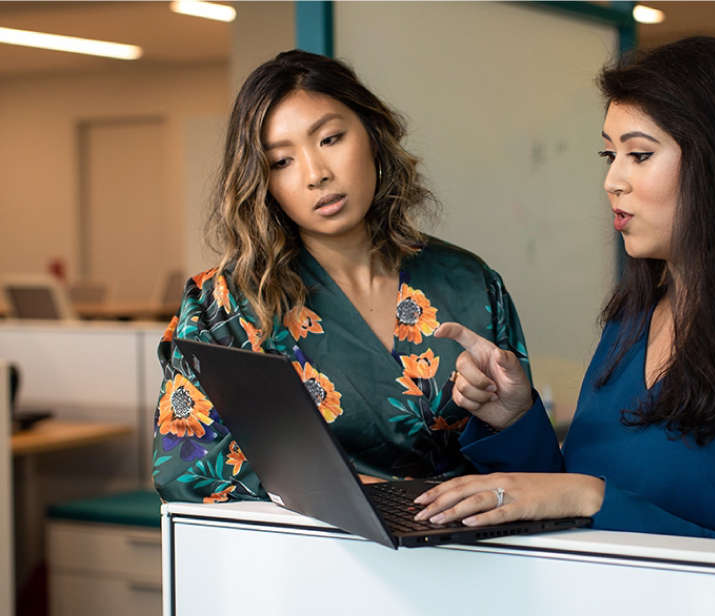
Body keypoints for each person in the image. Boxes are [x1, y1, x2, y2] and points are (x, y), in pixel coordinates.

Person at [413, 36, 715, 549]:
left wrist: (594, 501)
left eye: (639, 154)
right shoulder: (634, 320)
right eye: (609, 153)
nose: (612, 180)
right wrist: (513, 419)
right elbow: (562, 502)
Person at [152, 50, 529, 503]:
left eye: (330, 139)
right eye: (281, 162)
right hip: (312, 560)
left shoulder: (470, 283)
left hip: (471, 556)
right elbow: (184, 468)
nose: (316, 175)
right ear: (262, 182)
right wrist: (350, 496)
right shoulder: (226, 305)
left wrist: (513, 416)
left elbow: (529, 474)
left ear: (372, 133)